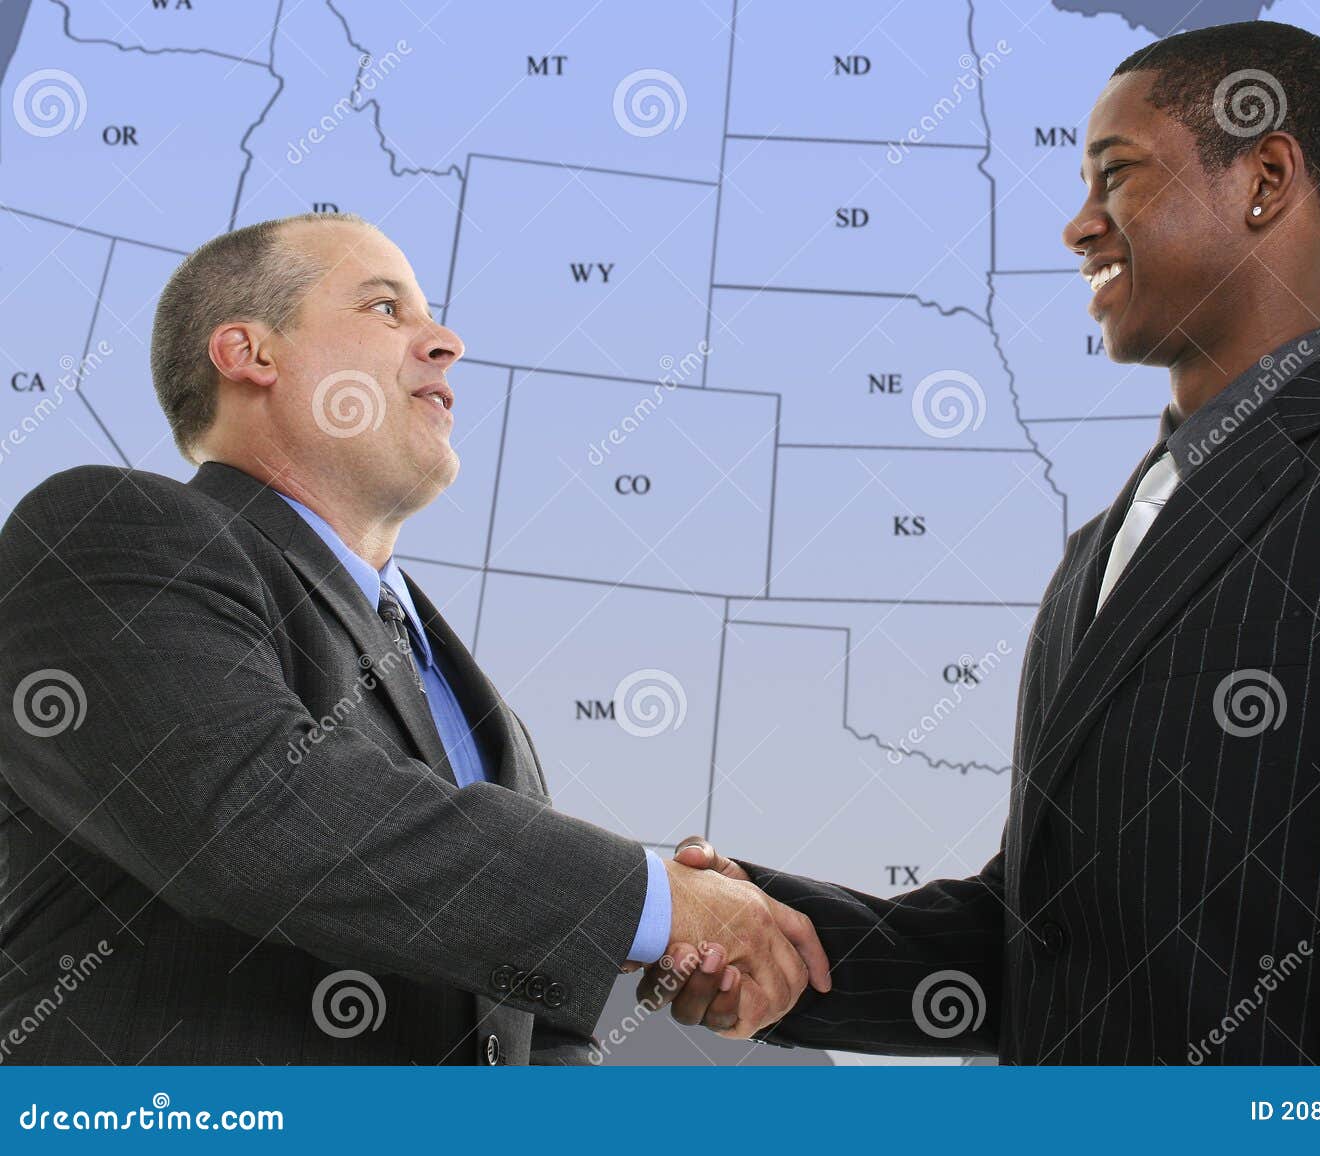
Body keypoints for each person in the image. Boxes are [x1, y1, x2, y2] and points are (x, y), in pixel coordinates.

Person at [648, 20, 1320, 1063]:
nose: (1078, 227)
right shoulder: (1096, 555)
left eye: (1118, 175)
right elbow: (1048, 937)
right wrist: (756, 931)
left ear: (1265, 180)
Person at [0, 212, 827, 1064]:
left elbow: (529, 1027)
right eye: (385, 308)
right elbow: (254, 813)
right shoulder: (109, 535)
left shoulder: (470, 700)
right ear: (250, 353)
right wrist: (656, 903)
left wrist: (700, 929)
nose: (445, 343)